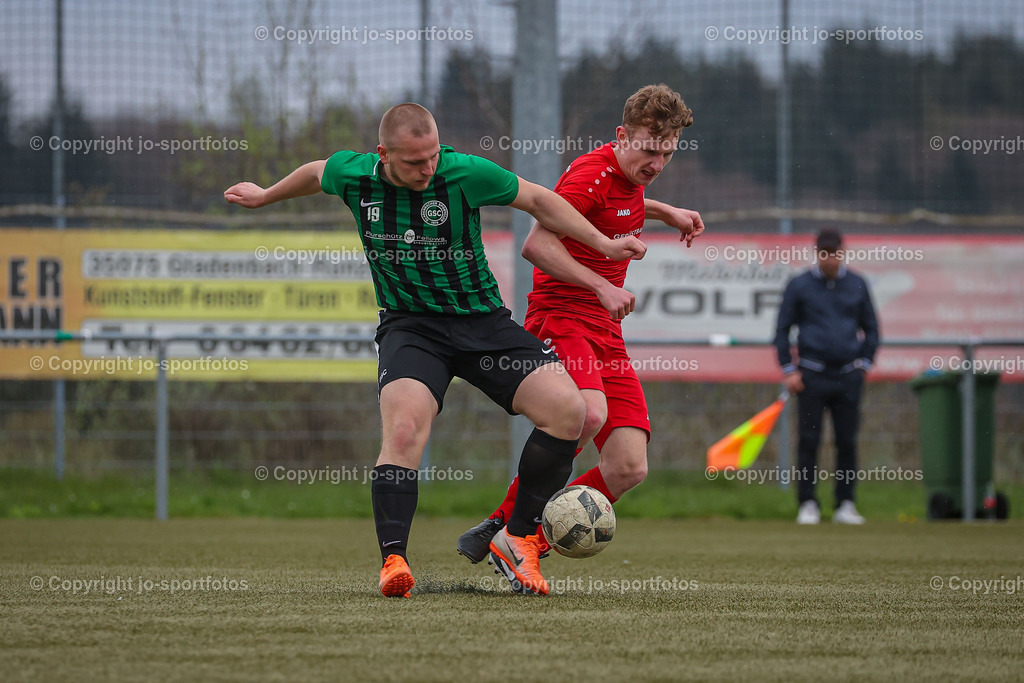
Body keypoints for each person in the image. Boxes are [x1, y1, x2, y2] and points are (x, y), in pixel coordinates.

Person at [224, 103, 646, 596]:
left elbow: (538, 200)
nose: (429, 168)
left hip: (482, 323)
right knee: (403, 429)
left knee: (570, 411)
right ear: (383, 155)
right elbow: (317, 172)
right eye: (415, 162)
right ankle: (394, 562)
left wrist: (602, 242)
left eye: (432, 156)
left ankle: (516, 538)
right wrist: (265, 196)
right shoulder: (355, 174)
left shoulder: (463, 171)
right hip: (411, 329)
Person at [457, 84, 704, 562]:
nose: (656, 164)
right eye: (649, 151)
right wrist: (601, 285)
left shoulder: (630, 179)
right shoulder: (591, 172)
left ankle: (510, 531)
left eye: (667, 154)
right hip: (563, 314)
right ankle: (514, 529)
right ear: (621, 136)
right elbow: (537, 244)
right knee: (588, 415)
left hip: (605, 330)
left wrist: (664, 210)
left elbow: (618, 206)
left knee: (629, 467)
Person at [774, 227, 880, 525]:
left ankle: (845, 504)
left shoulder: (858, 284)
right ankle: (808, 503)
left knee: (847, 441)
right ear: (816, 253)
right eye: (824, 254)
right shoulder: (800, 286)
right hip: (810, 377)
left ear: (842, 252)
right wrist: (788, 370)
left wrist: (865, 365)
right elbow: (782, 331)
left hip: (848, 376)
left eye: (834, 254)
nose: (830, 260)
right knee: (809, 440)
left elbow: (872, 329)